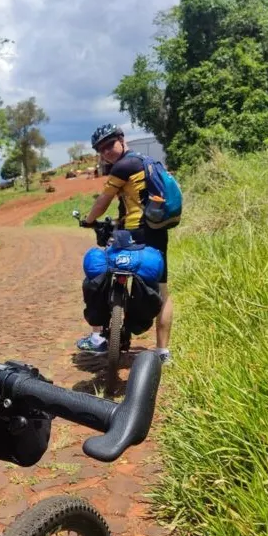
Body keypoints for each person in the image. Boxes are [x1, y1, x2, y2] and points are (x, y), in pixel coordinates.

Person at [76, 124, 173, 364]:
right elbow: (134, 202)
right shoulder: (147, 162)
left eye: (109, 144)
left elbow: (103, 201)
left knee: (104, 271)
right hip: (158, 232)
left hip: (134, 233)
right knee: (162, 290)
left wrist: (89, 222)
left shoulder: (123, 166)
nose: (106, 151)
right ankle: (163, 353)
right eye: (101, 149)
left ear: (121, 139)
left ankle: (97, 338)